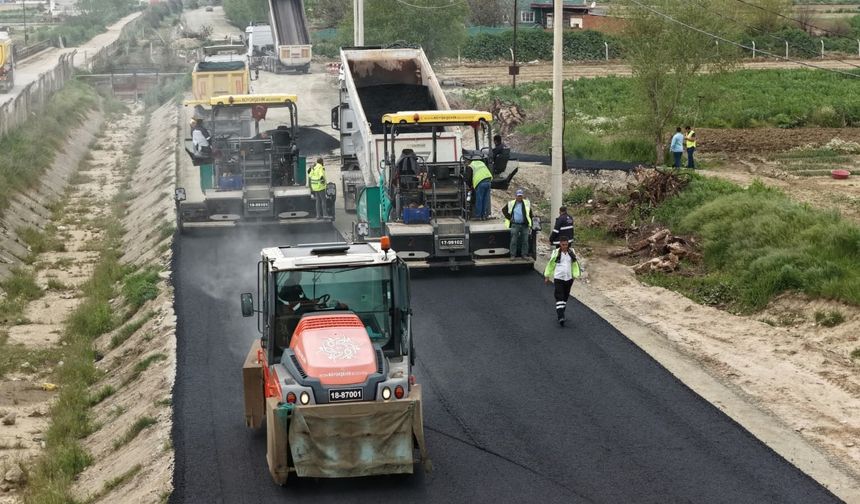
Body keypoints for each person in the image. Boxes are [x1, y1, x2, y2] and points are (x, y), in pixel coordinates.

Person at [544, 237, 580, 326]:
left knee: (565, 297)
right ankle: (561, 317)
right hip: (559, 278)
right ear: (560, 244)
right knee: (559, 296)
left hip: (569, 278)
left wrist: (575, 275)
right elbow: (551, 264)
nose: (565, 246)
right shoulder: (556, 253)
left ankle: (561, 312)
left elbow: (575, 264)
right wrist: (547, 275)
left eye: (566, 244)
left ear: (568, 244)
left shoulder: (571, 253)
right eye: (563, 244)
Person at [502, 189, 532, 259]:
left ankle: (524, 254)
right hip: (515, 224)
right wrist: (510, 218)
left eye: (521, 196)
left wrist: (531, 224)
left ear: (522, 196)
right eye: (518, 196)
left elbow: (530, 214)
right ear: (516, 196)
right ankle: (513, 255)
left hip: (524, 225)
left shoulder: (526, 203)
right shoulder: (511, 203)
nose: (519, 197)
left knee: (525, 240)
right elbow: (504, 210)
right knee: (513, 240)